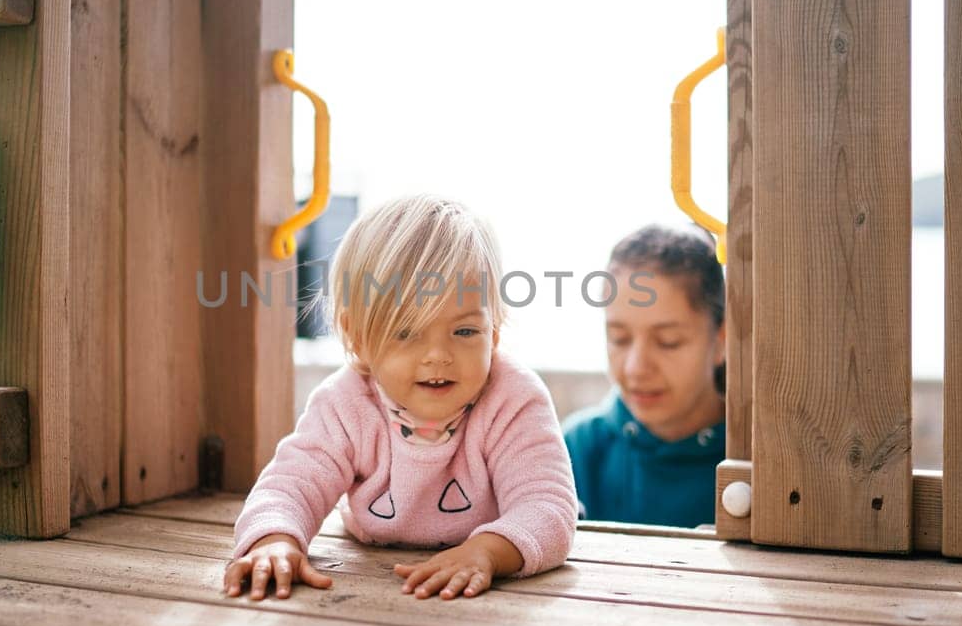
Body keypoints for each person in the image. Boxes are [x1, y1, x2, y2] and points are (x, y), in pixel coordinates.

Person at [225, 195, 578, 601]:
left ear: (494, 332)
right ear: (358, 338)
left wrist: (487, 552)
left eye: (465, 332)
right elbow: (290, 485)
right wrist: (274, 540)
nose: (438, 356)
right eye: (407, 332)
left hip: (484, 590)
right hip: (372, 581)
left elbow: (549, 508)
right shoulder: (345, 404)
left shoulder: (513, 399)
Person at [564, 223, 726, 526]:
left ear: (722, 340)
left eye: (668, 342)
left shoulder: (759, 462)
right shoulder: (572, 452)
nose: (636, 367)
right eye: (619, 338)